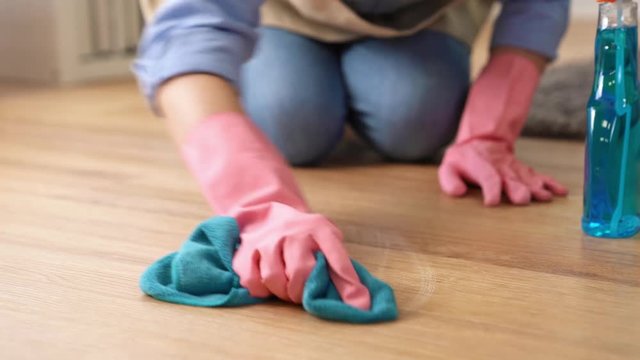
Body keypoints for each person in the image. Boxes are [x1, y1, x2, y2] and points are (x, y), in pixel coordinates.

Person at [134, 0, 570, 311]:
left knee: (415, 121)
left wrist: (490, 130)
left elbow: (537, 8)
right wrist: (258, 201)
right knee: (293, 121)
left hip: (419, 19)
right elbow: (188, 34)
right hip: (286, 13)